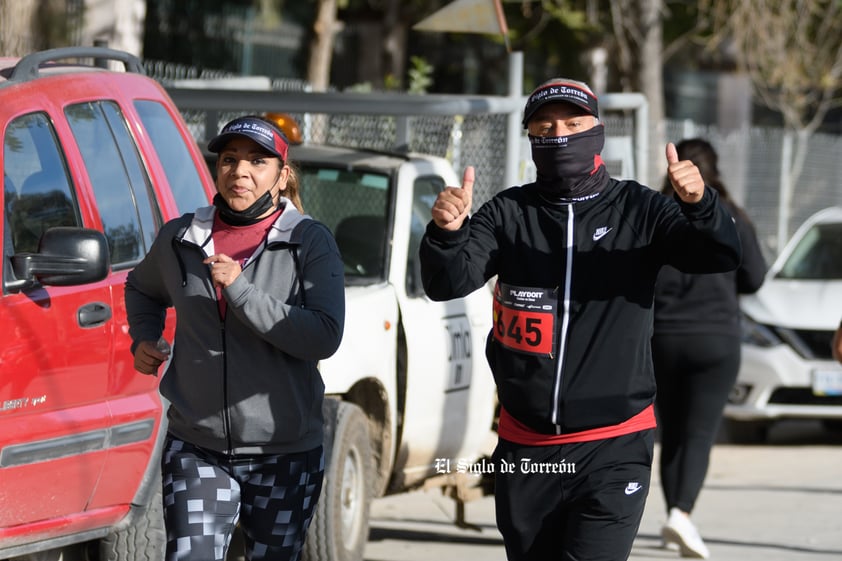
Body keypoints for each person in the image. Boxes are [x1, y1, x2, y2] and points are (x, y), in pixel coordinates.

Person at [419, 78, 742, 561]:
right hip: (525, 448)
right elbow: (448, 283)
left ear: (598, 132)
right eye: (546, 127)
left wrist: (700, 206)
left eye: (573, 124)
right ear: (530, 137)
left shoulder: (640, 208)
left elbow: (719, 254)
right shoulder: (508, 212)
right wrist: (446, 234)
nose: (560, 135)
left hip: (612, 445)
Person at [125, 115, 345, 561]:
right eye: (229, 160)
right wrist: (144, 338)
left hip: (282, 453)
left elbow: (324, 335)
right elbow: (141, 287)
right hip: (197, 447)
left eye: (257, 161)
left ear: (282, 176)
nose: (239, 172)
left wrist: (240, 290)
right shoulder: (182, 237)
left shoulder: (308, 241)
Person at [651, 138, 767, 559]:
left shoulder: (655, 214)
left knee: (673, 432)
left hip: (661, 337)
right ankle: (681, 514)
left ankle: (674, 513)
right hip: (715, 338)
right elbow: (754, 278)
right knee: (698, 433)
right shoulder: (732, 216)